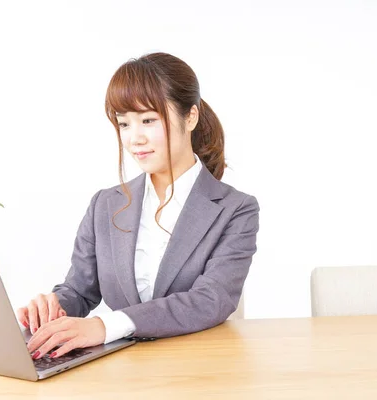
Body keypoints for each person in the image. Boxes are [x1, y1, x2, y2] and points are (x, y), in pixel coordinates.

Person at [19, 52, 260, 360]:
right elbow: (79, 290)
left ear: (191, 117)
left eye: (148, 120)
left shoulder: (235, 209)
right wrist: (53, 308)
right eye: (124, 124)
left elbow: (211, 299)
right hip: (124, 372)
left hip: (202, 367)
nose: (135, 138)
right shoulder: (105, 204)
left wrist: (105, 326)